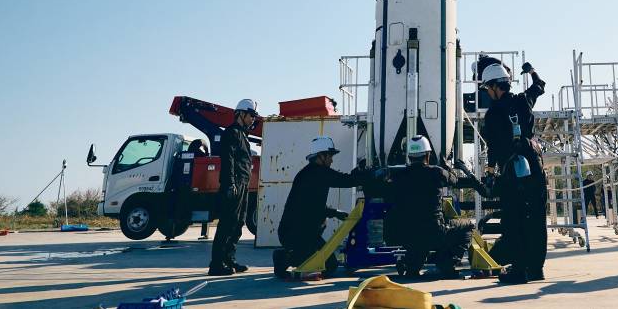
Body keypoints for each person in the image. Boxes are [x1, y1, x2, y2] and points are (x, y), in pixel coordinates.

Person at [478, 58, 549, 284]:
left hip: (513, 172)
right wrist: (532, 70)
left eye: (488, 88)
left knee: (514, 220)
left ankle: (519, 271)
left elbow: (493, 149)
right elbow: (540, 85)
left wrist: (489, 174)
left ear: (495, 86)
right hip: (535, 169)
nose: (488, 93)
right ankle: (536, 269)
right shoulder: (523, 101)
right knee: (537, 219)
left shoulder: (493, 114)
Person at [384, 135, 488, 278]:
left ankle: (411, 264)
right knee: (468, 226)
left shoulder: (397, 176)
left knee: (417, 233)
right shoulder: (436, 172)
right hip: (434, 232)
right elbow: (454, 179)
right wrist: (446, 167)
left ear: (409, 156)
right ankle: (446, 262)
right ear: (427, 155)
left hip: (405, 234)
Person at [273, 136, 363, 279]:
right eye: (330, 156)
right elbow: (346, 180)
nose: (332, 160)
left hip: (301, 232)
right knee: (327, 266)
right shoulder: (317, 173)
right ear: (321, 156)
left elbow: (312, 205)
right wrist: (365, 174)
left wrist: (335, 213)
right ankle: (284, 257)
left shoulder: (310, 172)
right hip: (296, 234)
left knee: (330, 265)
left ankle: (294, 253)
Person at [209, 98, 258, 276]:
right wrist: (230, 184)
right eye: (251, 115)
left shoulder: (243, 134)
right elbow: (228, 160)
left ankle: (229, 259)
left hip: (243, 184)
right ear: (241, 114)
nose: (253, 119)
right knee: (228, 224)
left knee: (238, 223)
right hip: (234, 183)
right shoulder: (231, 133)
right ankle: (216, 264)